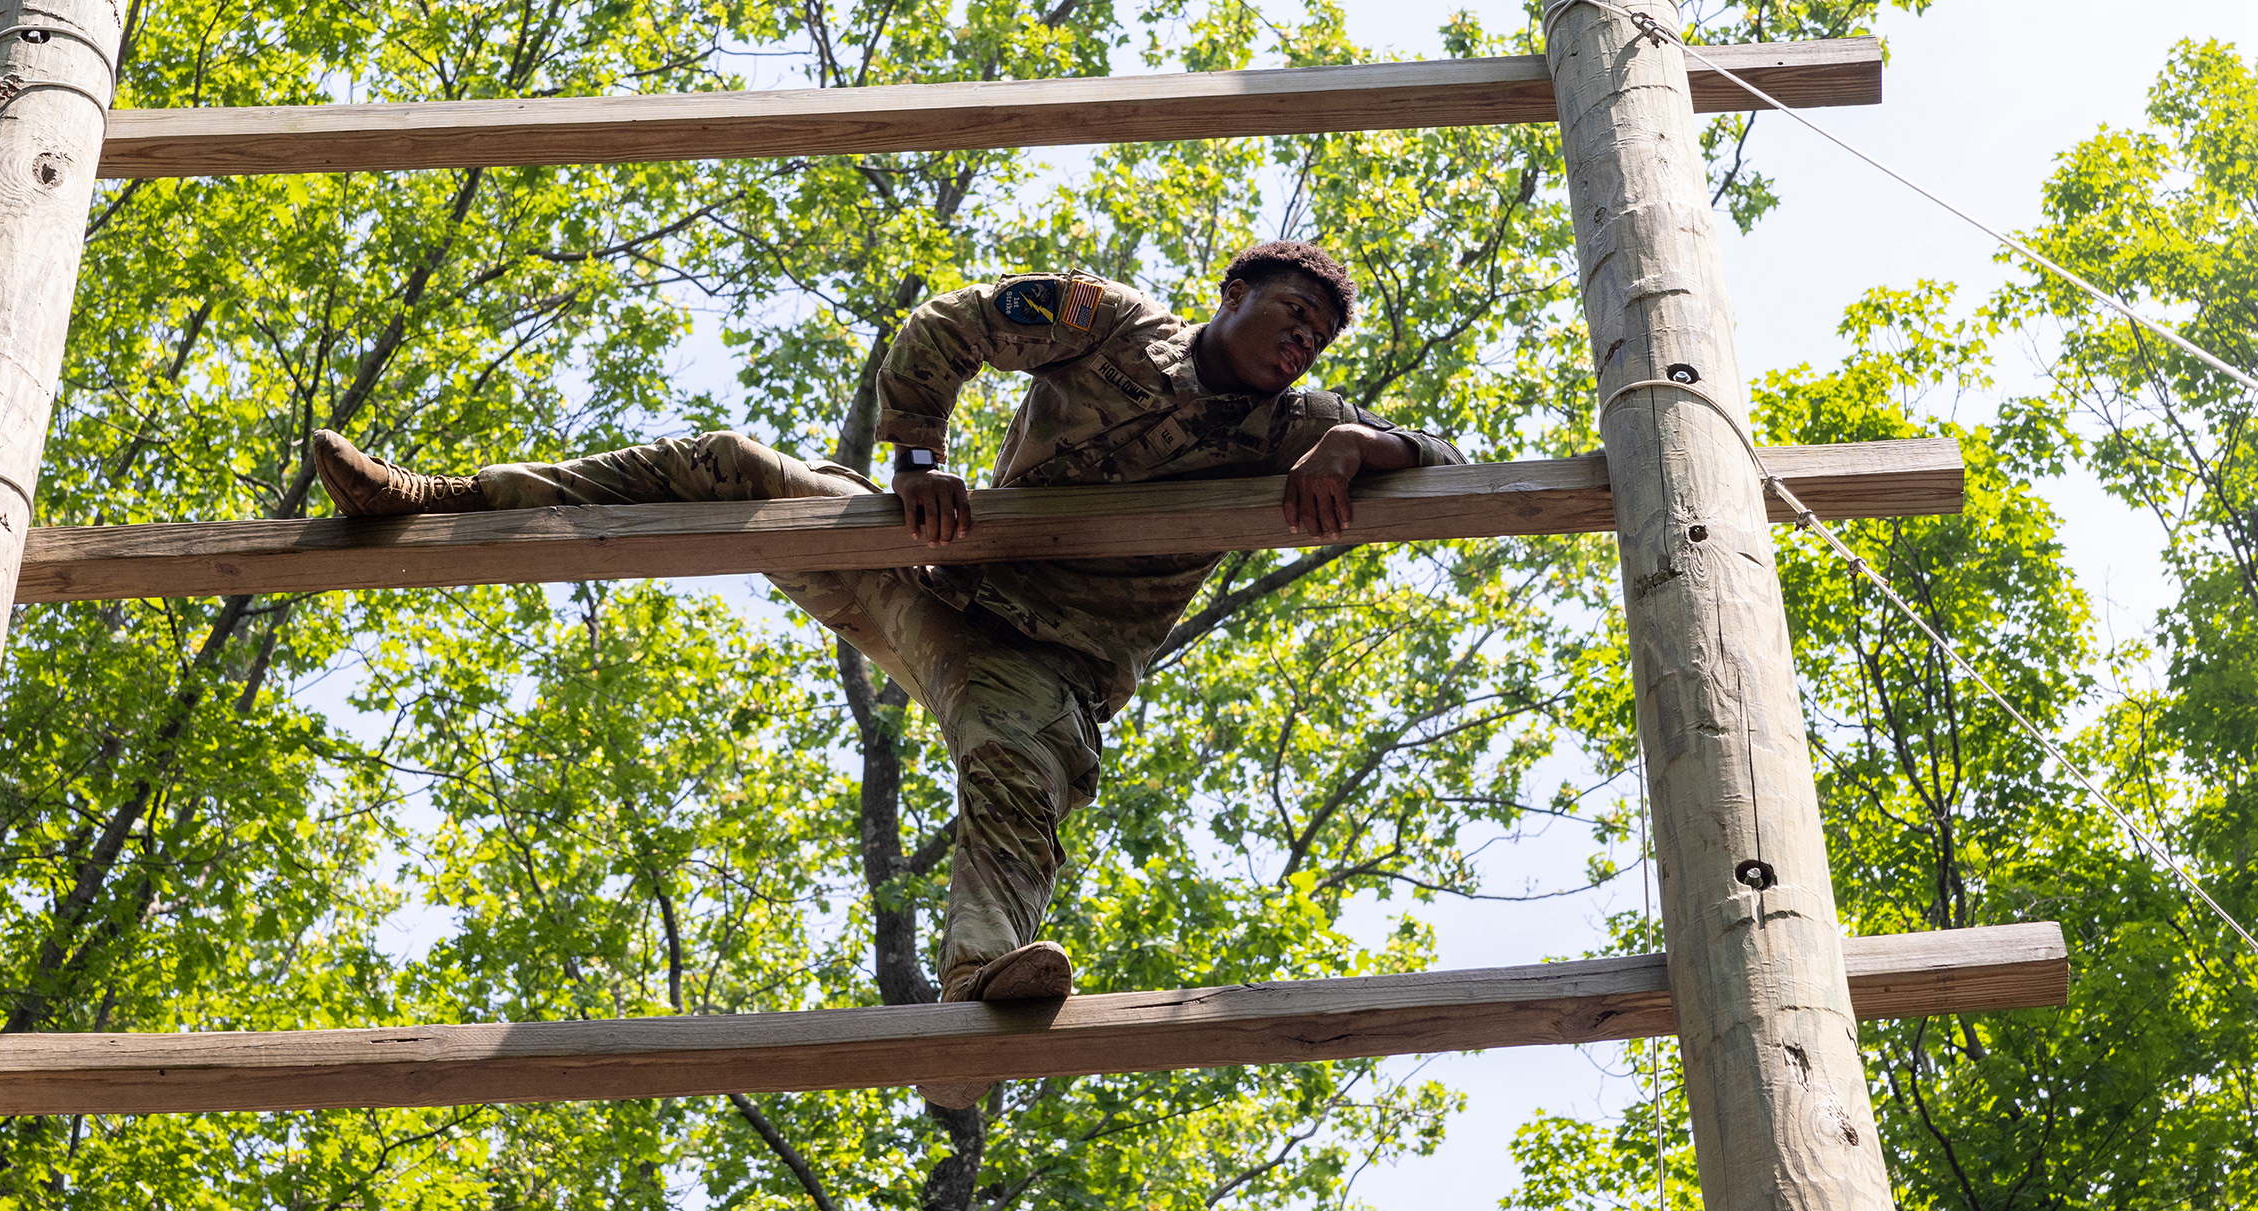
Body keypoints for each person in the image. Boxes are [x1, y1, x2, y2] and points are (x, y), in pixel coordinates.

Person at [311, 239, 1461, 1016]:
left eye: (1318, 337)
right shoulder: (1103, 324)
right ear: (1233, 297)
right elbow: (947, 324)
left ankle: (981, 972)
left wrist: (1364, 447)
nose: (1300, 342)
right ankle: (433, 499)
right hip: (925, 577)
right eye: (1288, 314)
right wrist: (920, 461)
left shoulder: (1294, 423)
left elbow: (1447, 462)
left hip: (1035, 658)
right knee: (730, 466)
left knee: (1016, 764)